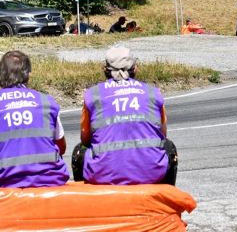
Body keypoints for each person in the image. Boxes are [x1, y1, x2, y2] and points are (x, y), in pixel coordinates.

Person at [72, 47, 177, 185]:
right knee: (169, 147)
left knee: (79, 151)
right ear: (135, 69)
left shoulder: (93, 94)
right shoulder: (152, 92)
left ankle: (88, 200)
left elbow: (85, 140)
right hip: (151, 173)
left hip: (102, 175)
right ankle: (165, 198)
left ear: (105, 70)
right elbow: (162, 135)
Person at [0, 51, 69, 188]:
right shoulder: (47, 101)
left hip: (7, 183)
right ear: (28, 76)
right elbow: (61, 147)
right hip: (50, 182)